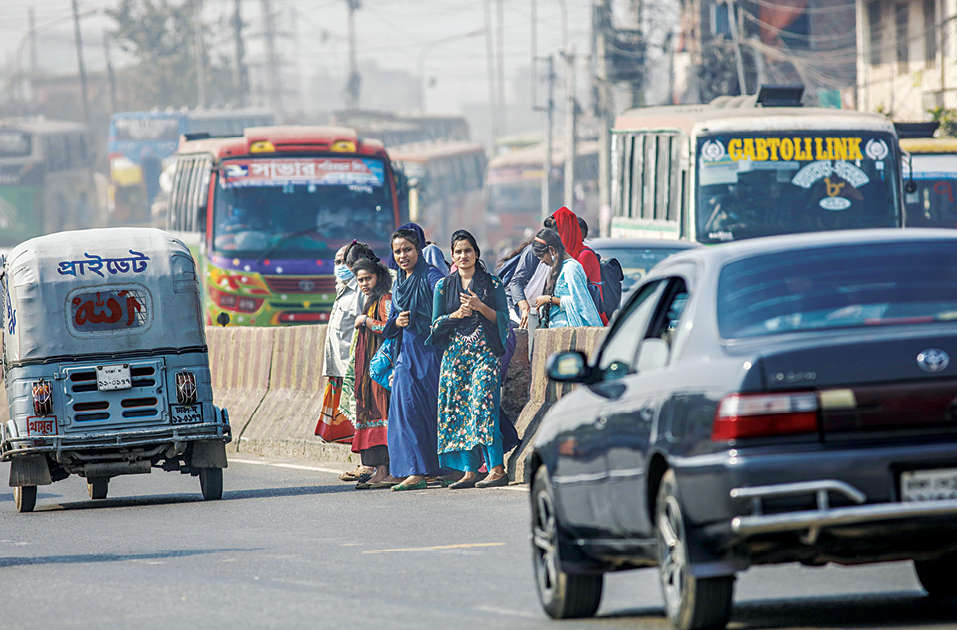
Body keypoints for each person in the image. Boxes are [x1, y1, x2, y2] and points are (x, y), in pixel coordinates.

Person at [428, 230, 510, 489]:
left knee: (483, 405)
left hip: (485, 354)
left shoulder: (492, 284)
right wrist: (456, 315)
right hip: (455, 357)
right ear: (452, 256)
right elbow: (435, 326)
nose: (463, 255)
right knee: (459, 409)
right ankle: (469, 470)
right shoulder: (443, 287)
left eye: (468, 250)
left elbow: (504, 320)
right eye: (458, 251)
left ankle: (496, 468)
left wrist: (479, 306)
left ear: (476, 253)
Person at [383, 227, 446, 491]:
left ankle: (432, 470)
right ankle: (413, 470)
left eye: (407, 249)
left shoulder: (431, 276)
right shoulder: (398, 283)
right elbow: (389, 325)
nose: (402, 256)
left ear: (418, 249)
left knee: (430, 411)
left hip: (431, 353)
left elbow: (447, 301)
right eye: (397, 251)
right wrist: (397, 321)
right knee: (404, 411)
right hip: (406, 354)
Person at [350, 257, 401, 489]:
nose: (364, 284)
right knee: (371, 415)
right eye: (360, 280)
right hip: (369, 371)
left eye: (367, 278)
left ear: (378, 277)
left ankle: (385, 471)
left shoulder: (385, 299)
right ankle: (379, 470)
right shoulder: (370, 300)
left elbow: (390, 328)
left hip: (382, 371)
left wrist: (366, 321)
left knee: (383, 415)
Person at [318, 242, 364, 482]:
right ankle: (363, 463)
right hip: (340, 368)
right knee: (353, 418)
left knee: (361, 416)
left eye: (343, 262)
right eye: (336, 262)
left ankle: (368, 464)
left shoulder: (360, 291)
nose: (339, 266)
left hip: (353, 366)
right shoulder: (342, 289)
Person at [531, 228, 602, 328]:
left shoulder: (571, 268)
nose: (542, 261)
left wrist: (550, 299)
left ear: (552, 250)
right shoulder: (558, 268)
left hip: (570, 330)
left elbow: (580, 303)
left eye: (541, 257)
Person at [552, 207, 607, 324]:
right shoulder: (565, 255)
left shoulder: (583, 256)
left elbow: (579, 298)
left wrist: (550, 299)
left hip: (588, 318)